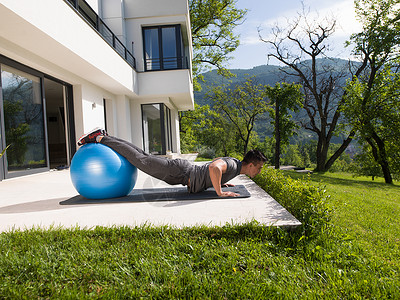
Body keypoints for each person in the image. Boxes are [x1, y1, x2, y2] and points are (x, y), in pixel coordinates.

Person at [77, 128, 267, 197]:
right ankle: (100, 139)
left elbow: (217, 169)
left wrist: (220, 181)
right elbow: (213, 166)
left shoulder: (234, 167)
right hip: (181, 173)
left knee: (141, 155)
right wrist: (220, 192)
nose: (259, 171)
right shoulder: (234, 165)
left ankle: (106, 136)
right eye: (258, 167)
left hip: (181, 172)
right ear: (250, 165)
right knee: (139, 159)